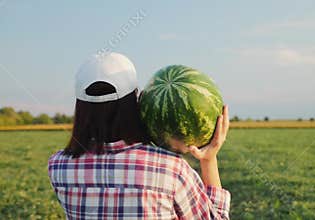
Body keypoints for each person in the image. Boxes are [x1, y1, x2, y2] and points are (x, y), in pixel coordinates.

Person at [48, 52, 231, 219]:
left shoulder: (58, 166)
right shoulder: (171, 169)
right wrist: (209, 160)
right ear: (139, 99)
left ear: (80, 106)